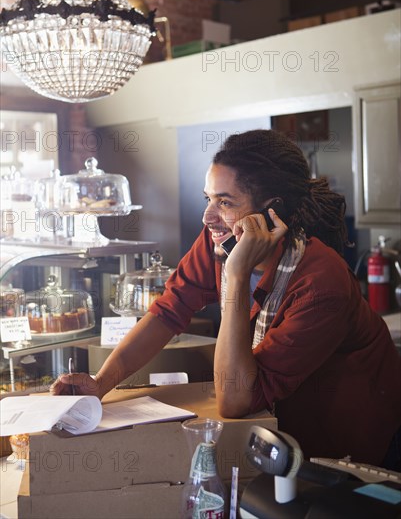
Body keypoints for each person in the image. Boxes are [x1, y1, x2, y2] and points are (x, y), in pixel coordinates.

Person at [52, 130, 401, 470]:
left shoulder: (321, 284)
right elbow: (167, 312)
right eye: (209, 199)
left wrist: (235, 275)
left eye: (225, 202)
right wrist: (100, 383)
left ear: (271, 212)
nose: (208, 217)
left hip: (349, 449)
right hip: (283, 435)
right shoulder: (219, 240)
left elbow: (234, 401)